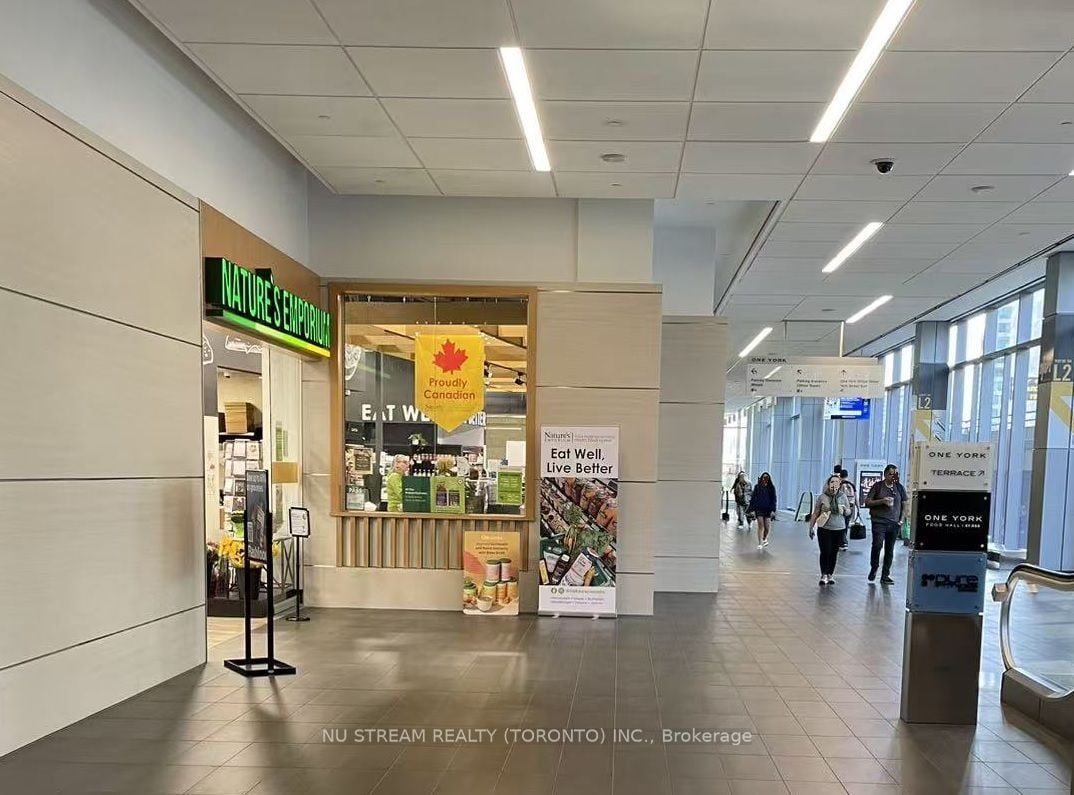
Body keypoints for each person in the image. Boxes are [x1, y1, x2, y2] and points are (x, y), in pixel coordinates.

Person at [864, 463, 908, 584]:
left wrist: (901, 519)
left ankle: (885, 575)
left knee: (890, 549)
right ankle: (874, 567)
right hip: (879, 522)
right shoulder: (878, 486)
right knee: (877, 545)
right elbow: (867, 502)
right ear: (885, 474)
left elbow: (905, 504)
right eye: (891, 474)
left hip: (894, 523)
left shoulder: (899, 487)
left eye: (895, 474)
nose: (893, 476)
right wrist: (882, 501)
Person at [810, 474, 851, 585]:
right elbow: (815, 513)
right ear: (828, 484)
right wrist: (811, 527)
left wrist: (844, 511)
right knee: (825, 551)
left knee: (833, 552)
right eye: (832, 482)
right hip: (824, 528)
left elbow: (849, 511)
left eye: (837, 482)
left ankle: (830, 574)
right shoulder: (822, 497)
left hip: (839, 528)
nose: (834, 485)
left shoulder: (843, 496)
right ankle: (823, 574)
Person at [748, 472, 777, 550]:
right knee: (761, 526)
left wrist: (773, 510)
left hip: (767, 510)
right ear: (761, 478)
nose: (765, 479)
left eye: (767, 477)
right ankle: (760, 543)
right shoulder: (757, 487)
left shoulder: (771, 488)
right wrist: (752, 510)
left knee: (767, 527)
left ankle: (764, 538)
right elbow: (753, 499)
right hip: (759, 509)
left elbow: (774, 499)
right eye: (764, 477)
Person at [838, 468, 856, 551]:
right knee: (845, 525)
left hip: (842, 508)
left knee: (840, 525)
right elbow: (856, 498)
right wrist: (858, 508)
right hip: (851, 507)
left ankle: (843, 542)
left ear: (840, 476)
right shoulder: (852, 485)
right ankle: (843, 542)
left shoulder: (839, 484)